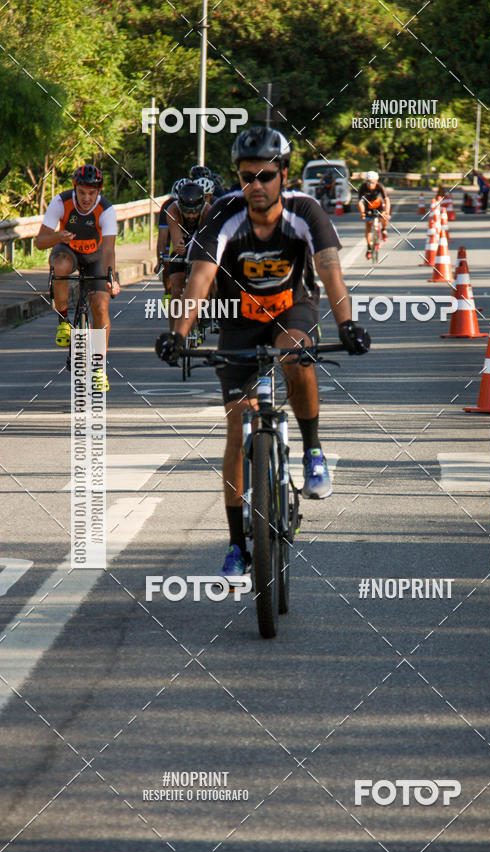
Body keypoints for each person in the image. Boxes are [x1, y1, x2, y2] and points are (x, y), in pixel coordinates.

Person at [155, 125, 370, 579]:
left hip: (292, 309)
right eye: (246, 175)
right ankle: (236, 545)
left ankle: (312, 451)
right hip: (239, 317)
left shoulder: (305, 213)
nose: (255, 185)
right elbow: (198, 280)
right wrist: (179, 333)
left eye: (266, 176)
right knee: (237, 428)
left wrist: (346, 323)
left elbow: (329, 269)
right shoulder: (225, 214)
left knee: (295, 353)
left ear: (284, 175)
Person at [35, 164, 120, 391]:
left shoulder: (106, 209)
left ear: (99, 191)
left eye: (91, 193)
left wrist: (111, 277)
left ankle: (100, 367)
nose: (86, 198)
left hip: (96, 256)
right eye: (82, 192)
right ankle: (63, 320)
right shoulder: (61, 202)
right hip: (68, 251)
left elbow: (110, 250)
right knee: (60, 267)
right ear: (75, 188)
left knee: (101, 307)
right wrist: (57, 236)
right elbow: (39, 242)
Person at [165, 179, 208, 330]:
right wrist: (178, 245)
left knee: (204, 279)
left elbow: (209, 239)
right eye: (187, 212)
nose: (191, 216)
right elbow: (176, 238)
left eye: (195, 212)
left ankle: (205, 308)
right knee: (175, 290)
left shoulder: (208, 210)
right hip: (181, 246)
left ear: (201, 206)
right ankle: (173, 332)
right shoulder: (172, 210)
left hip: (200, 243)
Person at [155, 178, 187, 304]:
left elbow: (162, 238)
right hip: (173, 244)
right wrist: (161, 259)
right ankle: (169, 295)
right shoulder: (169, 207)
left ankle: (170, 293)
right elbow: (163, 237)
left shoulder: (168, 204)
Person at [357, 170, 391, 259]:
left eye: (372, 182)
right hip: (368, 206)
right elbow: (360, 202)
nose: (369, 184)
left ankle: (383, 229)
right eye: (367, 182)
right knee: (368, 226)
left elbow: (387, 200)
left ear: (376, 181)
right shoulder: (362, 187)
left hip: (378, 205)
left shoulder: (380, 187)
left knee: (384, 216)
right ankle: (368, 248)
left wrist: (386, 212)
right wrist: (362, 213)